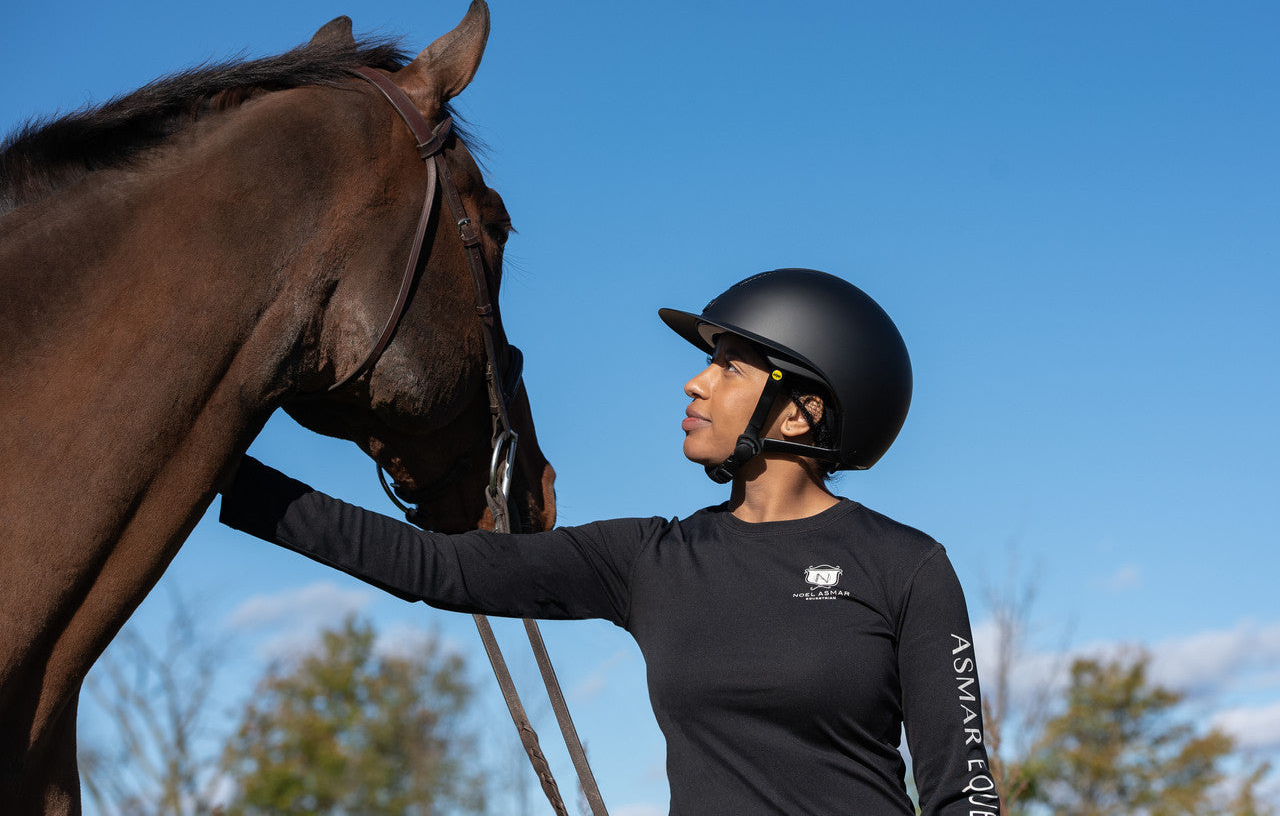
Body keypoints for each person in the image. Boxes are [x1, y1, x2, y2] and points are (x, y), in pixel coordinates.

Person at [219, 268, 1001, 816]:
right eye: (705, 363)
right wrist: (221, 471)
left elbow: (964, 796)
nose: (695, 383)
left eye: (728, 368)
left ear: (799, 413)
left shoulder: (907, 567)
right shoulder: (649, 561)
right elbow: (439, 566)